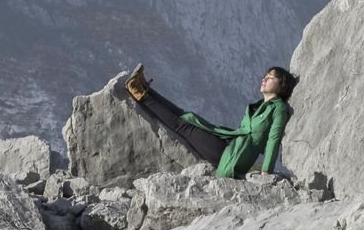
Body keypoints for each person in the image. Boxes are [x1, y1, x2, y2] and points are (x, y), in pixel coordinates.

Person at [125, 63, 297, 179]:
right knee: (186, 115)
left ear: (281, 86)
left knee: (183, 126)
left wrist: (266, 170)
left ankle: (141, 95)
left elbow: (274, 139)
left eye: (270, 78)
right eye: (265, 76)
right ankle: (144, 88)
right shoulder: (260, 105)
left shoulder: (278, 108)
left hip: (231, 155)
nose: (264, 79)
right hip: (228, 142)